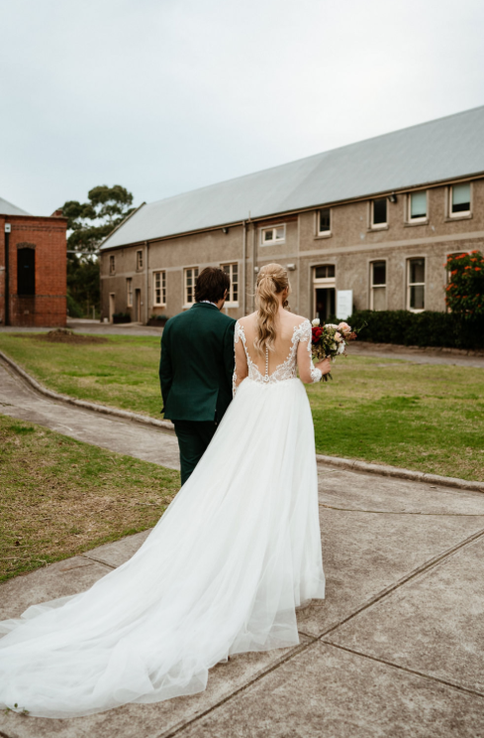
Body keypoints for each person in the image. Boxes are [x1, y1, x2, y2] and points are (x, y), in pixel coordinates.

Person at [0, 263, 331, 719]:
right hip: (282, 410)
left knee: (212, 485)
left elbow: (236, 379)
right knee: (277, 490)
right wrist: (329, 361)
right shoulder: (299, 327)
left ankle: (210, 542)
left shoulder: (235, 325)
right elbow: (306, 375)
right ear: (286, 289)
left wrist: (235, 415)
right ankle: (267, 569)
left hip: (244, 408)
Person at [160, 266, 236, 485]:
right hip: (213, 412)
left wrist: (171, 402)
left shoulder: (172, 324)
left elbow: (165, 373)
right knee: (218, 469)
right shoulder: (228, 326)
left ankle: (187, 517)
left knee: (189, 470)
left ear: (197, 290)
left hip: (180, 409)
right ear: (224, 293)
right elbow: (231, 373)